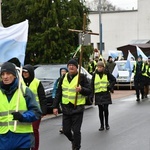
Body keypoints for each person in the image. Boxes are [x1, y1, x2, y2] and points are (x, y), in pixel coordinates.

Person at [0, 62, 42, 150]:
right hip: (3, 141)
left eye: (8, 73)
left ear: (14, 75)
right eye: (3, 74)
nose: (5, 77)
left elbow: (36, 112)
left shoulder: (24, 91)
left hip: (23, 140)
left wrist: (23, 117)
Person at [52, 59, 91, 150]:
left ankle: (76, 147)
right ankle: (74, 140)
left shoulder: (82, 77)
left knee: (76, 131)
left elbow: (89, 91)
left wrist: (81, 90)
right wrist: (55, 106)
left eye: (73, 65)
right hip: (66, 108)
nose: (71, 67)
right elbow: (59, 92)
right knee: (66, 131)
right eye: (69, 65)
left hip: (77, 108)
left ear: (77, 67)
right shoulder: (63, 78)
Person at [22, 64, 47, 150]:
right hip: (24, 110)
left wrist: (43, 111)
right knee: (26, 130)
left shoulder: (37, 82)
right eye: (23, 72)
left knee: (34, 129)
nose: (24, 74)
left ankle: (35, 148)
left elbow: (42, 97)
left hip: (36, 111)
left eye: (26, 72)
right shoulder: (20, 83)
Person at [91, 61, 116, 131]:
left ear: (103, 67)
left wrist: (110, 87)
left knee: (105, 109)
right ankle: (101, 125)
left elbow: (114, 80)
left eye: (100, 67)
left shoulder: (107, 73)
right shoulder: (94, 74)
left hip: (105, 93)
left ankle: (107, 124)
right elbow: (92, 84)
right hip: (98, 94)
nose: (99, 68)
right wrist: (91, 95)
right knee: (100, 110)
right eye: (98, 67)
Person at [52, 67, 68, 134]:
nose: (63, 73)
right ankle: (63, 127)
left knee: (68, 114)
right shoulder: (58, 80)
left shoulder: (68, 79)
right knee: (64, 114)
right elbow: (55, 89)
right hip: (61, 100)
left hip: (68, 99)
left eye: (64, 71)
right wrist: (54, 96)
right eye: (62, 71)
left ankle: (68, 126)